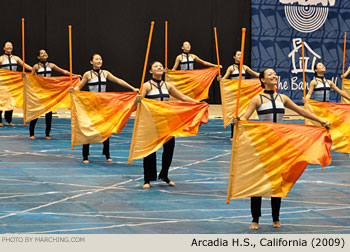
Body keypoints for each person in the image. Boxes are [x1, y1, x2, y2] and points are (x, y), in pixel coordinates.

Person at [236, 68, 329, 230]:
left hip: (280, 146)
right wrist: (237, 120)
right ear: (263, 80)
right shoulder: (257, 99)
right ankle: (255, 219)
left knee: (277, 183)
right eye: (270, 74)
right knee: (258, 182)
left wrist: (320, 120)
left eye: (275, 74)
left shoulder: (283, 98)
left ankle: (276, 217)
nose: (274, 76)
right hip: (262, 145)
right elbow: (245, 118)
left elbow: (301, 111)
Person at [72, 53, 138, 164]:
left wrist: (132, 88)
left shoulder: (105, 73)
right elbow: (79, 87)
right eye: (96, 59)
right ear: (91, 62)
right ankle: (85, 155)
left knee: (106, 128)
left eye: (100, 59)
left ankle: (107, 154)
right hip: (91, 105)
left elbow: (118, 81)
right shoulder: (87, 74)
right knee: (88, 128)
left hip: (103, 105)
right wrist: (73, 90)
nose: (99, 61)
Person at [141, 61, 198, 189]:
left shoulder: (168, 85)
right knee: (150, 151)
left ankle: (164, 174)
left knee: (169, 149)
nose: (159, 67)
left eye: (161, 66)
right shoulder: (146, 86)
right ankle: (147, 179)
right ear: (151, 71)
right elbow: (139, 102)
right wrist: (138, 100)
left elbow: (183, 97)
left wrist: (198, 103)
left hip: (167, 123)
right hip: (152, 123)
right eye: (156, 66)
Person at [29, 49, 77, 140]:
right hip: (40, 92)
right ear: (38, 57)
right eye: (41, 53)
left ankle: (47, 134)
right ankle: (31, 133)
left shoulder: (51, 65)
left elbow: (63, 71)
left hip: (49, 92)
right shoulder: (36, 66)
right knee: (36, 113)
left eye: (45, 53)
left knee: (49, 113)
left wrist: (73, 75)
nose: (44, 54)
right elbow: (30, 79)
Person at [222, 50, 259, 140]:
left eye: (241, 55)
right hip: (233, 93)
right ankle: (233, 135)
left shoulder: (245, 67)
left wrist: (264, 76)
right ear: (234, 57)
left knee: (243, 113)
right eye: (238, 55)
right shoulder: (231, 68)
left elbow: (256, 74)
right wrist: (220, 79)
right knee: (233, 113)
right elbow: (224, 79)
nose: (240, 56)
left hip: (243, 93)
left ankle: (242, 133)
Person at [0, 41, 32, 127]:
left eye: (10, 45)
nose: (9, 47)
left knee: (11, 101)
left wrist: (34, 70)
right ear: (4, 48)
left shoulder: (16, 58)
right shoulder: (1, 58)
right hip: (3, 83)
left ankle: (9, 119)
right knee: (2, 101)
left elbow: (24, 65)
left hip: (13, 83)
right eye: (7, 46)